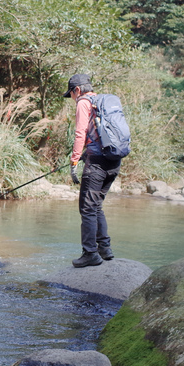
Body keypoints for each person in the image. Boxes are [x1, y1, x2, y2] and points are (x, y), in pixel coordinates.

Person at [65, 73, 120, 268]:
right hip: (113, 161)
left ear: (77, 90)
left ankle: (90, 253)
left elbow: (80, 134)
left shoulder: (83, 102)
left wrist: (73, 162)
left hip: (96, 163)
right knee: (96, 205)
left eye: (71, 94)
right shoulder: (103, 102)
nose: (72, 98)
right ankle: (105, 249)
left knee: (87, 208)